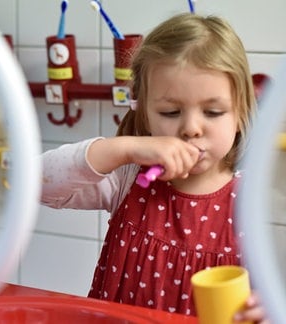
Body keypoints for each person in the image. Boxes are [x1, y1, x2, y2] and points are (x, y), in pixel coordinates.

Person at [41, 13, 267, 322]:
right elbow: (36, 183)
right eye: (171, 111)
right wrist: (124, 149)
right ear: (145, 113)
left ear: (240, 113)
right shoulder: (127, 177)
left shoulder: (254, 204)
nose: (191, 129)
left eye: (213, 112)